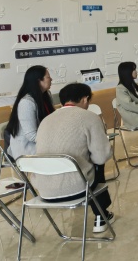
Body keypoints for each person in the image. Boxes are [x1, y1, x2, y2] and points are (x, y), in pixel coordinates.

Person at [33, 83, 114, 233]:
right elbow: (102, 156)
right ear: (85, 99)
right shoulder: (89, 117)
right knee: (98, 163)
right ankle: (101, 216)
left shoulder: (46, 120)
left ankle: (101, 214)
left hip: (44, 191)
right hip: (77, 189)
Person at [6, 65, 55, 160]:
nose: (51, 79)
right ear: (39, 81)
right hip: (27, 150)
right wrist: (54, 141)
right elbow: (31, 135)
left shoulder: (43, 97)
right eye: (48, 77)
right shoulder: (26, 102)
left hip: (41, 144)